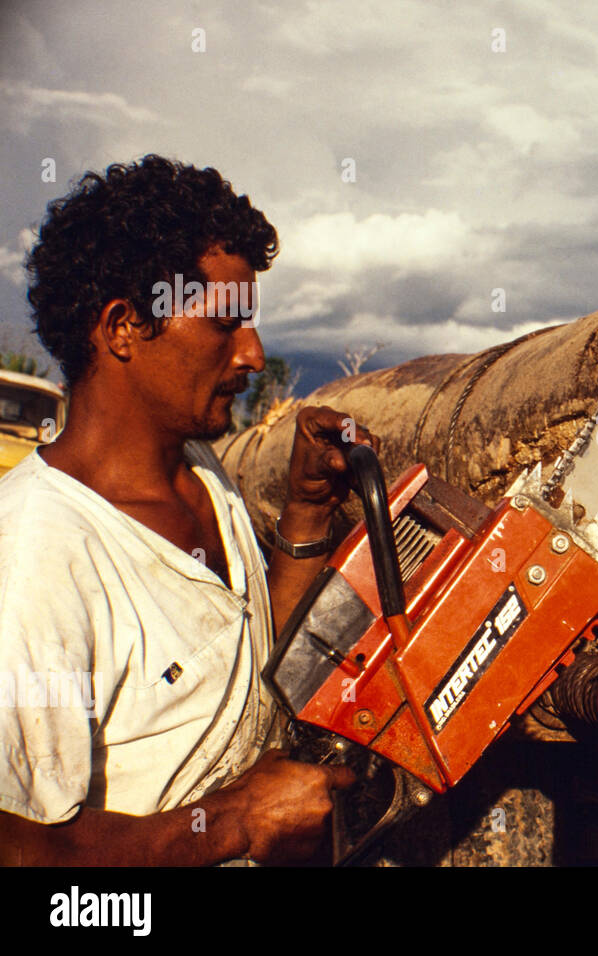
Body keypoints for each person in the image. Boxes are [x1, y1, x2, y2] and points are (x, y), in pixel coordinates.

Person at [0, 155, 366, 865]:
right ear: (123, 328)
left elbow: (262, 673)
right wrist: (235, 821)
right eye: (225, 325)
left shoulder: (199, 473)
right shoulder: (34, 554)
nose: (255, 354)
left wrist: (307, 511)